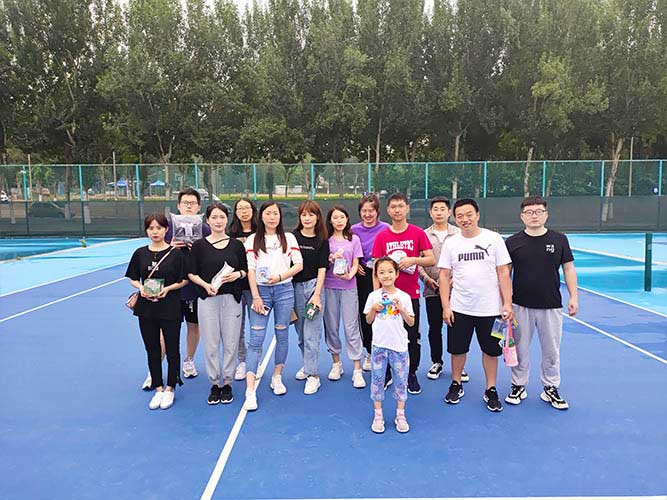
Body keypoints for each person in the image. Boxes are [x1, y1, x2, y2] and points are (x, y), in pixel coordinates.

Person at [438, 198, 513, 412]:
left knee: (491, 350)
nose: (465, 219)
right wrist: (446, 306)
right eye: (460, 216)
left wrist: (507, 303)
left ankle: (491, 389)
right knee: (457, 349)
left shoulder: (494, 239)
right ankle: (456, 383)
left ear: (478, 215)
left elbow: (503, 272)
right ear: (455, 218)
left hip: (491, 309)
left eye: (469, 214)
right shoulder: (451, 243)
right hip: (460, 307)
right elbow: (444, 275)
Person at [504, 196, 578, 410]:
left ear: (546, 214)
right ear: (522, 216)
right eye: (529, 212)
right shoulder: (512, 242)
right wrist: (505, 303)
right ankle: (518, 385)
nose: (534, 216)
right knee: (519, 349)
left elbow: (569, 269)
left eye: (538, 211)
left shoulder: (559, 239)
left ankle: (550, 387)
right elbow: (504, 274)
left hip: (551, 305)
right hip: (520, 305)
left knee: (552, 351)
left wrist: (574, 296)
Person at [371, 192, 435, 394]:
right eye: (393, 207)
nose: (397, 210)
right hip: (387, 298)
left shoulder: (418, 233)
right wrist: (377, 295)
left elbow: (431, 259)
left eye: (401, 206)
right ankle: (388, 372)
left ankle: (411, 373)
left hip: (410, 295)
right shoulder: (382, 236)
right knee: (387, 334)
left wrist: (413, 260)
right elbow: (376, 268)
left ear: (407, 208)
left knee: (411, 335)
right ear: (388, 211)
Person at [244, 202, 303, 411]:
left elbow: (299, 264)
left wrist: (279, 277)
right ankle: (250, 390)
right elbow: (251, 269)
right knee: (256, 339)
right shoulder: (252, 239)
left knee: (282, 335)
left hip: (284, 291)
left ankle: (277, 376)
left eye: (275, 213)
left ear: (280, 216)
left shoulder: (289, 238)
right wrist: (256, 296)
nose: (272, 217)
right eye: (268, 213)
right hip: (261, 293)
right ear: (261, 217)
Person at [187, 203, 248, 405]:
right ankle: (214, 383)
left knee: (231, 342)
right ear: (207, 220)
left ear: (227, 219)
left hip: (232, 299)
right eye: (214, 217)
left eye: (222, 217)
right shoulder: (199, 246)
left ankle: (227, 382)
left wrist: (237, 275)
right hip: (208, 300)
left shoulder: (236, 245)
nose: (218, 221)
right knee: (211, 343)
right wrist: (205, 285)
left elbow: (245, 270)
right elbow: (191, 273)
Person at [126, 214, 188, 410]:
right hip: (146, 308)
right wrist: (141, 288)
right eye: (151, 228)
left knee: (172, 349)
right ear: (146, 230)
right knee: (152, 349)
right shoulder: (140, 253)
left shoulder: (176, 254)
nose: (155, 232)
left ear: (166, 230)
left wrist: (168, 289)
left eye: (159, 228)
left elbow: (184, 280)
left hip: (170, 307)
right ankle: (158, 387)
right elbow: (133, 277)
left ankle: (170, 388)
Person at [163, 188, 211, 385]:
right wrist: (170, 247)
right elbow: (156, 252)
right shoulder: (167, 228)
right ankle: (156, 366)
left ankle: (189, 361)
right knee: (166, 329)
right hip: (171, 287)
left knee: (193, 326)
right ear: (179, 206)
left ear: (199, 207)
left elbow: (211, 257)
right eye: (185, 203)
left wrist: (198, 249)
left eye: (193, 203)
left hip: (194, 287)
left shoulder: (205, 229)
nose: (189, 206)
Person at [417, 196, 468, 382]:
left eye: (442, 209)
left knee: (458, 328)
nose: (439, 212)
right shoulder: (423, 235)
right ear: (430, 213)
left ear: (449, 212)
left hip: (456, 291)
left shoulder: (459, 233)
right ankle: (436, 362)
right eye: (435, 209)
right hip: (432, 290)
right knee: (434, 328)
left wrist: (454, 280)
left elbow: (465, 260)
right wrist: (427, 279)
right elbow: (418, 261)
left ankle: (459, 366)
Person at [364, 257, 415, 434]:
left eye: (390, 271)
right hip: (379, 345)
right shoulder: (373, 296)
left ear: (397, 274)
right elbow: (368, 320)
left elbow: (411, 322)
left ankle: (400, 415)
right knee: (377, 381)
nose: (386, 275)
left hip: (399, 346)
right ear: (377, 275)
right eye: (382, 272)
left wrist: (401, 309)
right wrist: (373, 309)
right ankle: (378, 415)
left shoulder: (404, 297)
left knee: (401, 381)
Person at [323, 205, 366, 389]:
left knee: (351, 326)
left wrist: (350, 275)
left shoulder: (354, 239)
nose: (339, 220)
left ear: (347, 219)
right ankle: (336, 363)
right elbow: (321, 264)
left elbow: (356, 262)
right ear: (330, 220)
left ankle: (357, 368)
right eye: (335, 217)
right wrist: (330, 259)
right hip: (329, 287)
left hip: (349, 288)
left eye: (342, 217)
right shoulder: (325, 240)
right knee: (331, 326)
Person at [292, 201, 329, 395]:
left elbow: (322, 268)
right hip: (295, 288)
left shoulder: (322, 239)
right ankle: (307, 365)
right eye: (304, 214)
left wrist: (317, 294)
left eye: (311, 214)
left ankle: (313, 375)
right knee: (300, 333)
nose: (307, 218)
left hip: (314, 287)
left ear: (317, 217)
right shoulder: (292, 237)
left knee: (312, 334)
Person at [351, 193, 390, 371]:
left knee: (385, 311)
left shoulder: (386, 229)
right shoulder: (353, 230)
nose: (367, 214)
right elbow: (349, 251)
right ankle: (369, 351)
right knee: (366, 313)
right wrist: (356, 264)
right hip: (362, 276)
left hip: (383, 276)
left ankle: (385, 350)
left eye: (371, 211)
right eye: (364, 211)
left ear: (377, 211)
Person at [228, 198, 258, 381]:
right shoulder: (229, 234)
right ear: (236, 212)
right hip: (236, 288)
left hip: (256, 288)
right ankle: (242, 360)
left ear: (253, 210)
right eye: (240, 208)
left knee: (257, 327)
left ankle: (254, 361)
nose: (244, 211)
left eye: (247, 208)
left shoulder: (261, 232)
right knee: (237, 328)